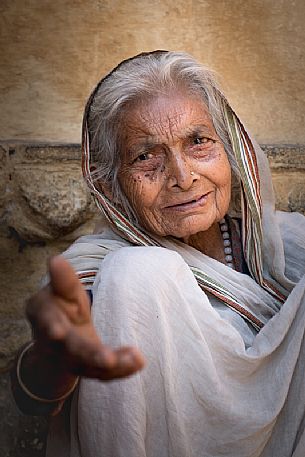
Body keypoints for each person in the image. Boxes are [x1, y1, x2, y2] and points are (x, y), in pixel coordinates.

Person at [11, 51, 305, 457]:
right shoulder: (98, 271)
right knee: (139, 271)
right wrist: (57, 358)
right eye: (146, 156)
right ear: (110, 185)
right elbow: (34, 392)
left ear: (231, 150)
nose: (183, 178)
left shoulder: (291, 250)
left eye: (199, 142)